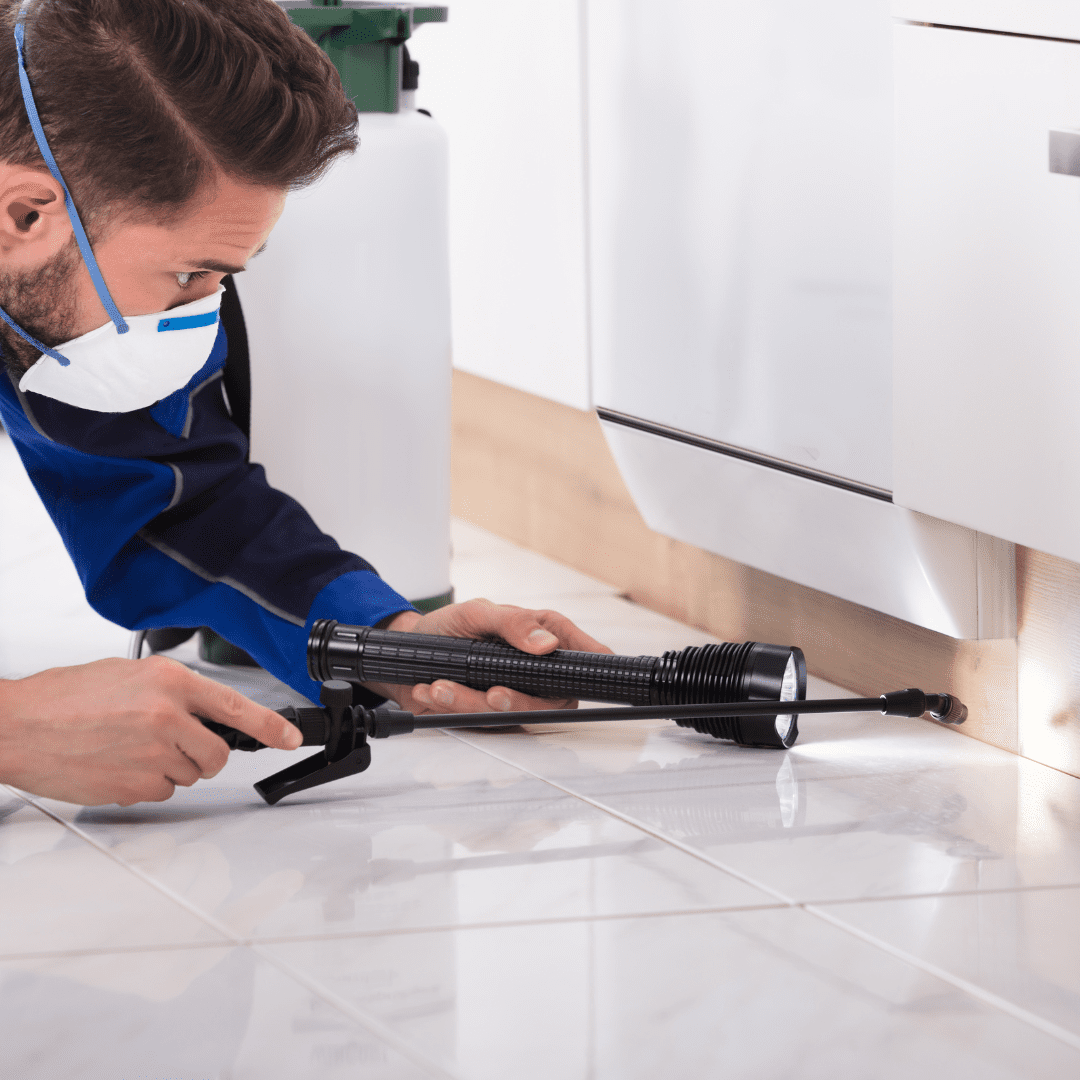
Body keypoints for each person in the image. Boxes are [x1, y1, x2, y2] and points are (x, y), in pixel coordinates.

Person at [0, 0, 610, 807]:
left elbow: (176, 510)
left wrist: (388, 645)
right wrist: (14, 728)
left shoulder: (55, 283)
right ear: (25, 214)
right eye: (186, 275)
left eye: (226, 276)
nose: (199, 320)